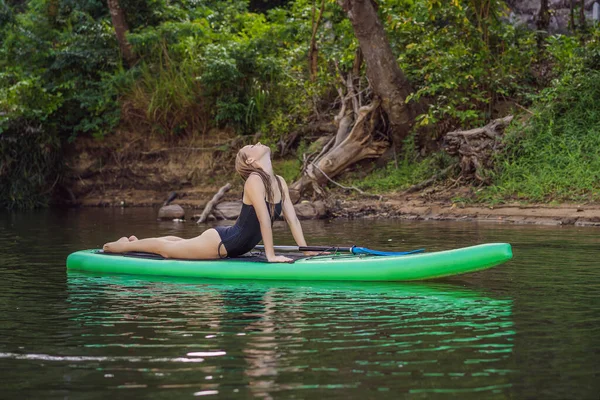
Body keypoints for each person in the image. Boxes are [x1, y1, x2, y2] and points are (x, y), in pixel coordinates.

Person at [102, 142, 312, 263]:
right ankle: (119, 247)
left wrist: (306, 250)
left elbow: (293, 220)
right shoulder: (254, 180)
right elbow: (264, 219)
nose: (257, 143)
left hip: (232, 242)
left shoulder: (280, 182)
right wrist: (271, 256)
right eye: (252, 146)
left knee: (180, 243)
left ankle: (133, 243)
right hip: (223, 243)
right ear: (250, 161)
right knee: (166, 250)